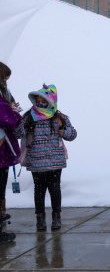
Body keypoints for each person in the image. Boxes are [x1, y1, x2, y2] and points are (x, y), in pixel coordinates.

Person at [21, 84, 77, 231]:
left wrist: (63, 131)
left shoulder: (59, 117)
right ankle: (40, 219)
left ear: (50, 101)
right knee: (39, 190)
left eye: (43, 98)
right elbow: (18, 133)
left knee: (54, 189)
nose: (40, 101)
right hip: (37, 161)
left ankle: (56, 217)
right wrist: (17, 122)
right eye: (38, 98)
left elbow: (73, 134)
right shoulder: (28, 117)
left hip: (55, 161)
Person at [0, 62, 22, 243]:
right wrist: (15, 113)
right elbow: (8, 119)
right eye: (5, 78)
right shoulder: (1, 97)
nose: (6, 82)